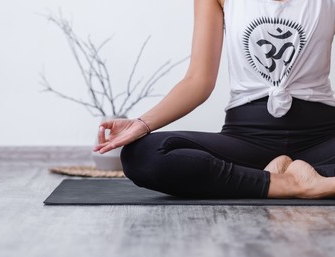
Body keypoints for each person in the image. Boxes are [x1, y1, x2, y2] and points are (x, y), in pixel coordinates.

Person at [93, 0, 335, 199]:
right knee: (142, 154)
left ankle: (261, 180)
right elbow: (198, 82)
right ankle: (298, 183)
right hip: (246, 140)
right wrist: (142, 123)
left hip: (321, 139)